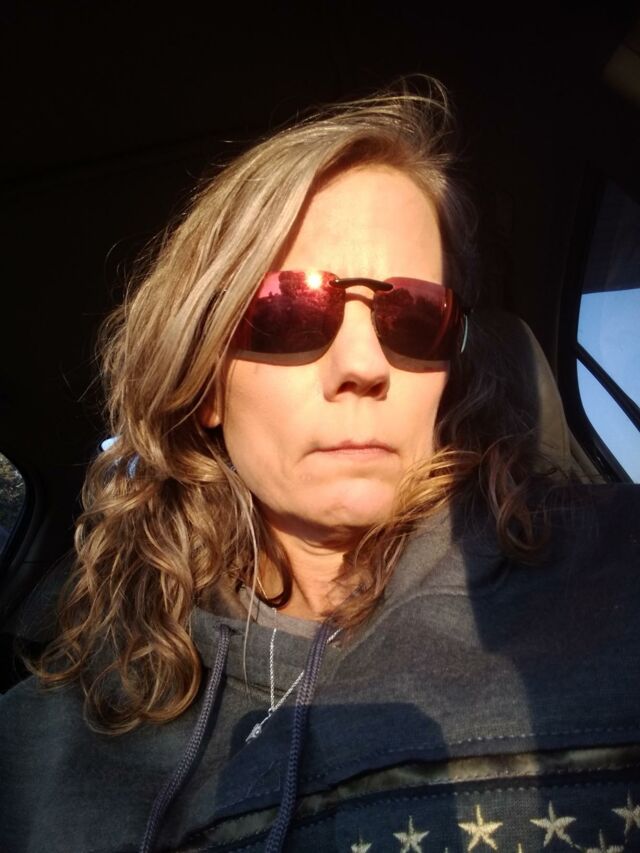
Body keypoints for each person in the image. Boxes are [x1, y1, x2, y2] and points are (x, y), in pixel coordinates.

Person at [1, 79, 639, 853]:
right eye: (290, 308)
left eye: (414, 314)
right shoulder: (39, 751)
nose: (364, 365)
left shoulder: (617, 576)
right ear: (207, 382)